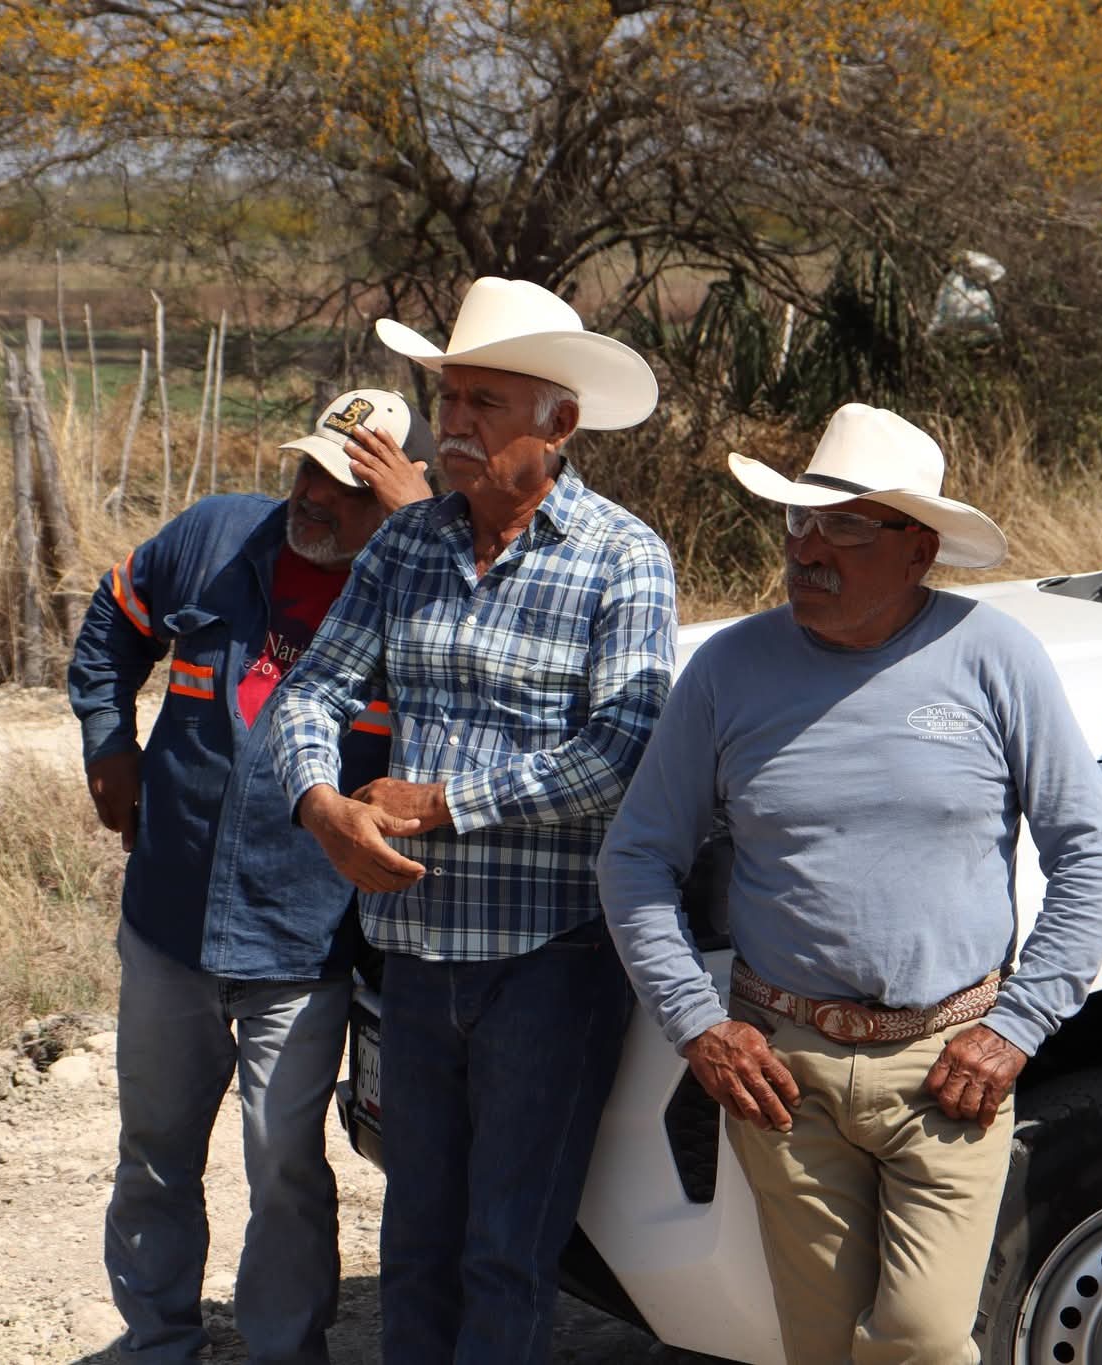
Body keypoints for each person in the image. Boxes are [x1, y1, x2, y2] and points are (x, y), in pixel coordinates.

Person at [597, 404, 1102, 1364]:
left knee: (921, 1338)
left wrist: (1016, 1027)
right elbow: (636, 856)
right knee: (817, 1346)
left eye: (844, 526)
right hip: (783, 1071)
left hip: (949, 1066)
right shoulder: (727, 669)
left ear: (918, 548)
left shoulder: (993, 655)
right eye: (799, 520)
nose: (807, 548)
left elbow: (1096, 854)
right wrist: (697, 1024)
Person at [269, 277, 677, 1364]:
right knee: (416, 1243)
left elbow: (620, 749)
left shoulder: (621, 554)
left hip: (549, 958)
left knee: (507, 1251)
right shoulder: (407, 545)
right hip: (414, 956)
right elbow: (311, 691)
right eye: (448, 398)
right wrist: (319, 803)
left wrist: (442, 804)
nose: (452, 424)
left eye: (483, 402)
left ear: (560, 423)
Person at [67, 388, 435, 1364]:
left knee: (283, 1168)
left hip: (304, 937)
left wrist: (421, 541)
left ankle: (284, 1349)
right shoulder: (217, 537)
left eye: (352, 486)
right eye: (311, 469)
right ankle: (158, 1342)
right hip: (170, 919)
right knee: (153, 1151)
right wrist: (108, 738)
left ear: (399, 498)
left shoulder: (420, 601)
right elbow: (114, 617)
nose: (317, 496)